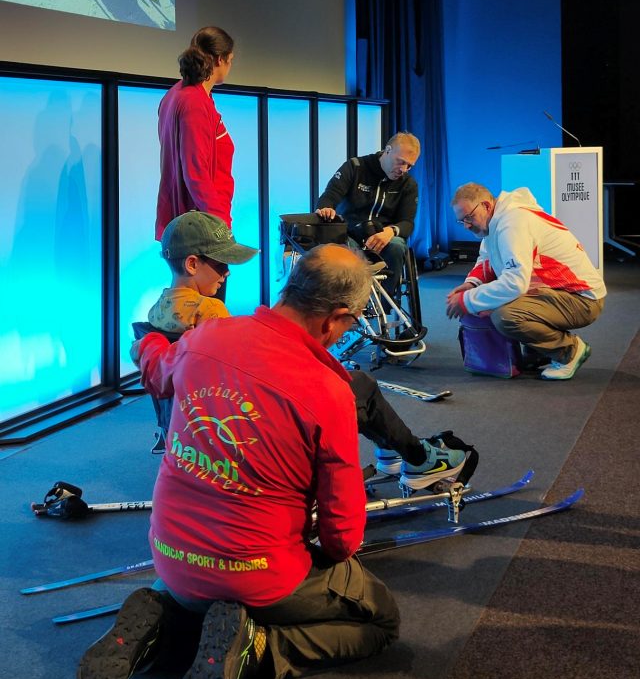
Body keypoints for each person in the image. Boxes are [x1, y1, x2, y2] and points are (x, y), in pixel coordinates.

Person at [76, 244, 400, 679]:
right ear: (334, 319)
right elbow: (342, 536)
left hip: (172, 558)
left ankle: (164, 626)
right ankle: (261, 649)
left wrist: (147, 341)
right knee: (381, 621)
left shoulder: (205, 338)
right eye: (351, 323)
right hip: (258, 573)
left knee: (203, 590)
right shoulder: (329, 390)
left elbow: (156, 369)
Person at [147, 211, 471, 489]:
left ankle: (392, 448)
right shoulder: (213, 318)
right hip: (251, 425)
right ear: (192, 263)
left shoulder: (154, 316)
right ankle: (416, 457)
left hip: (196, 430)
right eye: (221, 264)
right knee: (361, 386)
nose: (227, 272)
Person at [446, 183, 606, 380]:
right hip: (559, 292)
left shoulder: (513, 222)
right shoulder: (497, 221)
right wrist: (472, 284)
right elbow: (487, 258)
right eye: (461, 221)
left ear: (486, 206)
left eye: (469, 217)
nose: (467, 226)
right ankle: (538, 352)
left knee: (505, 316)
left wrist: (467, 300)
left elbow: (515, 283)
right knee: (496, 301)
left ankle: (569, 352)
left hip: (582, 300)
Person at [155, 26, 236, 299]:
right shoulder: (193, 102)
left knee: (196, 312)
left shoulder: (178, 95)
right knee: (206, 317)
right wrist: (220, 225)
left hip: (193, 222)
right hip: (203, 228)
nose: (230, 67)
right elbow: (196, 173)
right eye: (231, 61)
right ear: (219, 60)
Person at [315, 132, 421, 297]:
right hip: (349, 235)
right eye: (400, 162)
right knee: (343, 250)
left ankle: (384, 303)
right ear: (387, 150)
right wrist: (326, 208)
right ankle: (350, 301)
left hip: (382, 237)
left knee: (398, 245)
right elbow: (329, 197)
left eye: (409, 166)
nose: (403, 170)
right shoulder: (355, 167)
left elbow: (407, 222)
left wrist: (390, 231)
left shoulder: (408, 184)